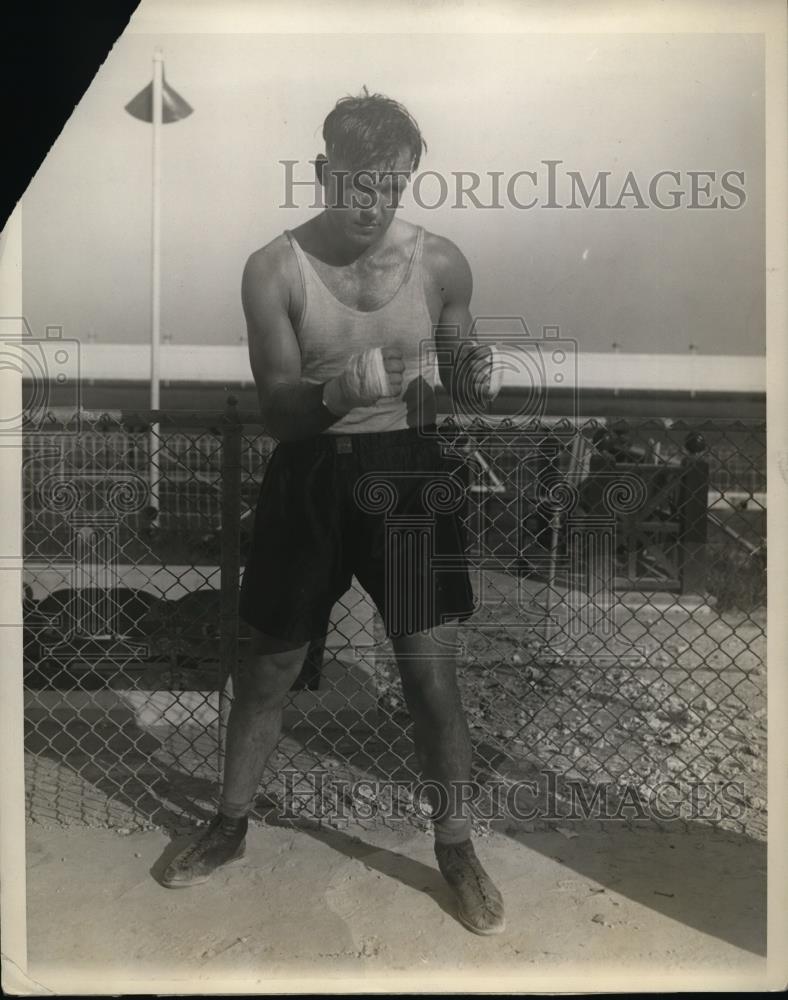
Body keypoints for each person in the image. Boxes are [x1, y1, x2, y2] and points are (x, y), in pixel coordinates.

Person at [161, 89, 505, 936]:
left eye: (392, 186)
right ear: (323, 172)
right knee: (269, 667)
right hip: (308, 474)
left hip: (412, 477)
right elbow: (279, 411)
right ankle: (230, 823)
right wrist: (340, 389)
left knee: (430, 678)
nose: (373, 203)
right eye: (357, 183)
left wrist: (470, 376)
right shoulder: (272, 269)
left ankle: (456, 847)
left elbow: (458, 370)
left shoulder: (442, 264)